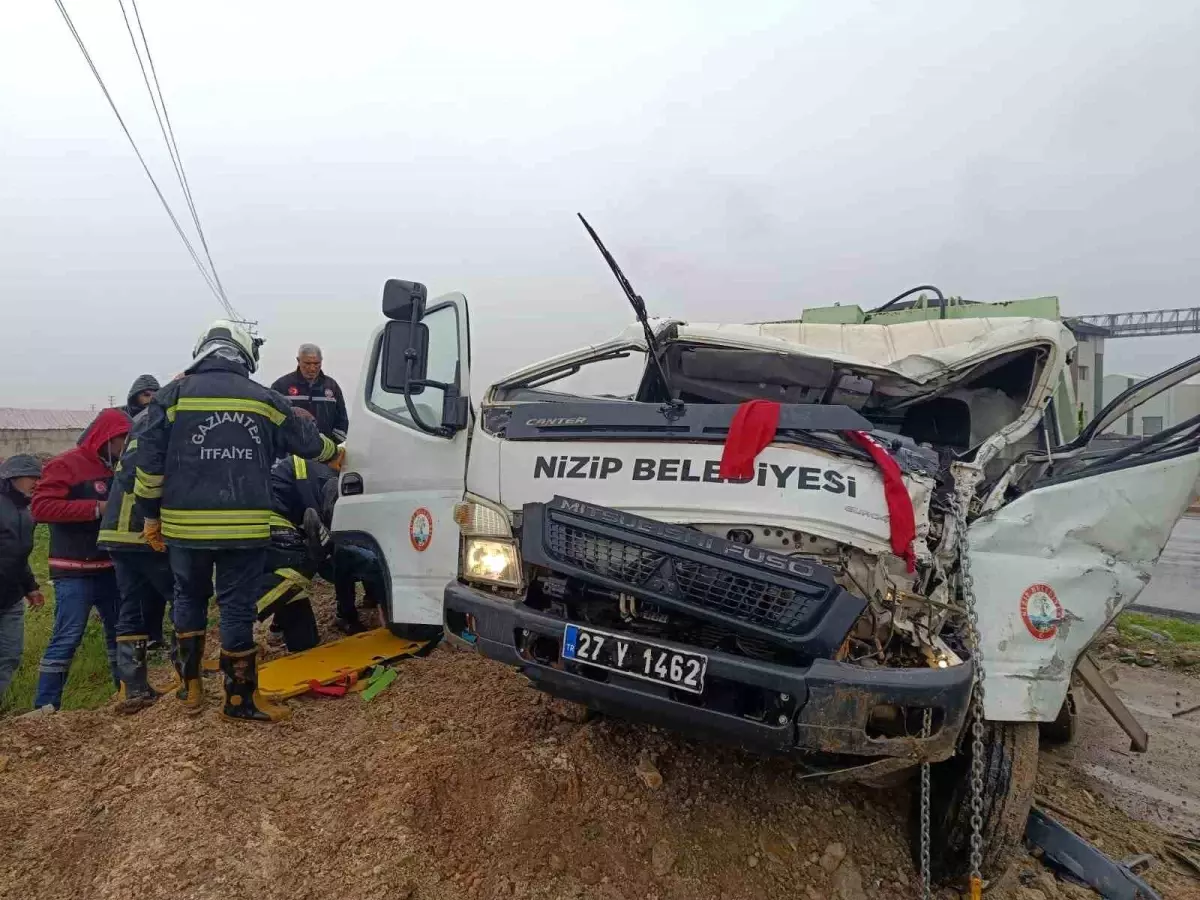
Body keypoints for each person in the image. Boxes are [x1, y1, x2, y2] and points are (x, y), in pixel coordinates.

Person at [134, 320, 341, 723]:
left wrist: (150, 517)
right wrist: (337, 451)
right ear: (245, 355)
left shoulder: (171, 396)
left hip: (183, 528)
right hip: (243, 528)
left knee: (189, 598)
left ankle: (190, 688)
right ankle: (238, 699)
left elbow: (149, 465)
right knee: (235, 608)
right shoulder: (264, 398)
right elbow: (311, 443)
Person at [31, 408, 131, 709]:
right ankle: (46, 708)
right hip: (73, 570)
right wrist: (95, 508)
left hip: (110, 567)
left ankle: (125, 695)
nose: (125, 446)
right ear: (106, 436)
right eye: (121, 439)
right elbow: (42, 507)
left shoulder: (118, 467)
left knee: (121, 635)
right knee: (67, 636)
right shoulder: (66, 464)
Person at [259, 452, 385, 651]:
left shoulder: (319, 474)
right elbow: (323, 533)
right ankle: (242, 612)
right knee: (303, 565)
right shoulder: (331, 483)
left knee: (304, 640)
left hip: (276, 525)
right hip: (270, 525)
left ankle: (278, 628)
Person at [97, 408, 177, 714]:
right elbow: (141, 475)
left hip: (118, 534)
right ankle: (189, 674)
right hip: (142, 531)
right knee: (184, 596)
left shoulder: (144, 423)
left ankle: (133, 687)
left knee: (132, 606)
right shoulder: (162, 424)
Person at [0, 455, 44, 701]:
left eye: (39, 477)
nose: (37, 482)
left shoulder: (25, 512)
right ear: (12, 477)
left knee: (9, 655)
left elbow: (17, 555)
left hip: (11, 598)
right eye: (32, 477)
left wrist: (31, 587)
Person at [271, 343, 349, 443]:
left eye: (316, 364)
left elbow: (342, 421)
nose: (312, 368)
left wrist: (332, 447)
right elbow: (272, 421)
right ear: (298, 361)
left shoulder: (332, 387)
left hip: (324, 453)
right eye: (307, 363)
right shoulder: (281, 386)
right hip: (290, 453)